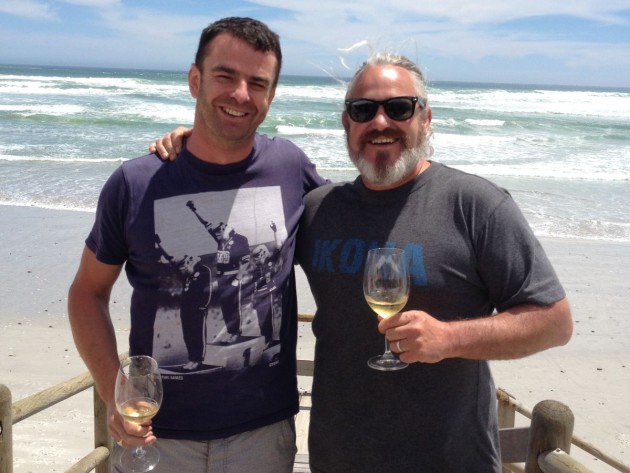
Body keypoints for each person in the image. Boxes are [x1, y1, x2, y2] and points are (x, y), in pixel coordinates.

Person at [153, 53, 573, 471]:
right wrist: (203, 144)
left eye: (399, 108)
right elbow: (244, 211)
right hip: (338, 459)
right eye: (363, 110)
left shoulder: (474, 204)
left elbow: (554, 322)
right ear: (346, 123)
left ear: (425, 119)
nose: (380, 122)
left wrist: (449, 339)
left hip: (452, 461)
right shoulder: (319, 209)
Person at [68, 16, 327, 473]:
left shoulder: (290, 166)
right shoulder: (135, 182)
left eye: (257, 83)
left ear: (270, 95)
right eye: (225, 76)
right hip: (156, 436)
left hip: (263, 434)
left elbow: (353, 220)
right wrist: (114, 391)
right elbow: (87, 292)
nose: (240, 94)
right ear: (195, 80)